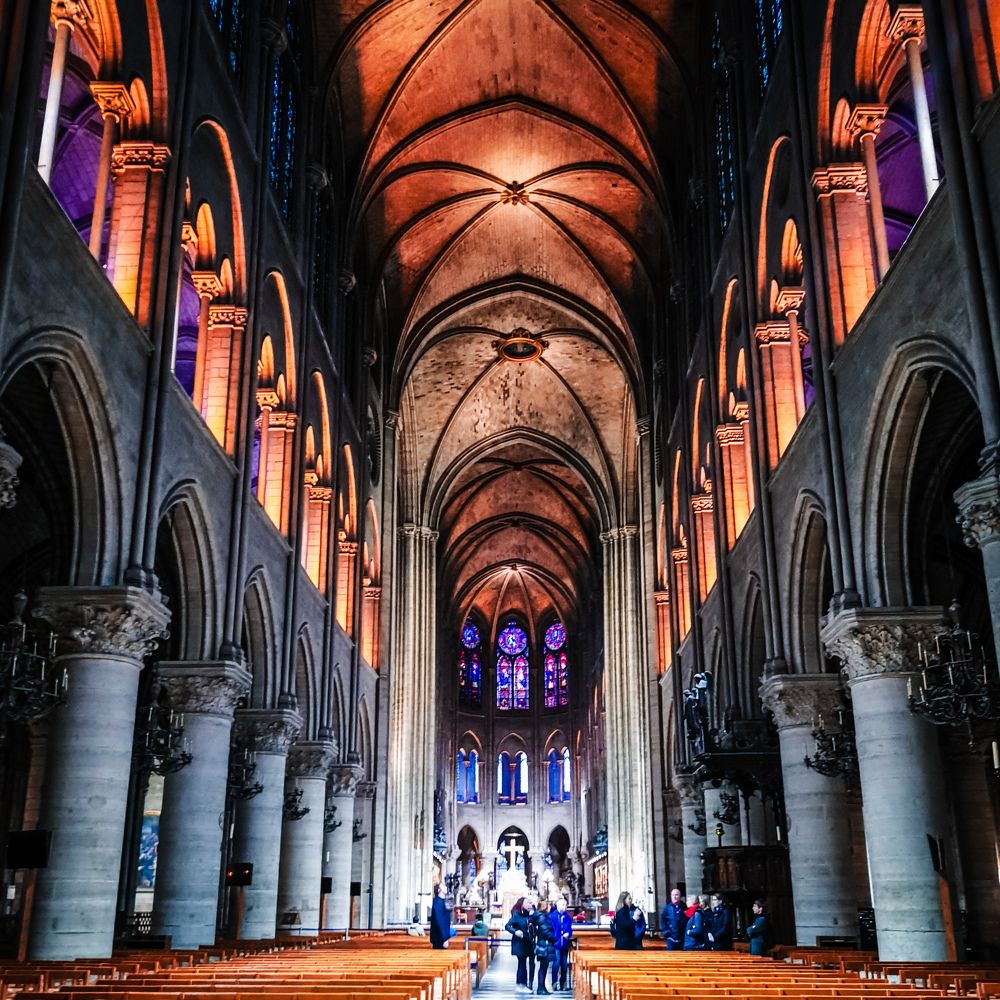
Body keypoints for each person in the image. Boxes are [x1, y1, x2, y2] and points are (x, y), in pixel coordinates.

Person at [505, 897, 536, 991]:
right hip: (520, 943)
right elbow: (507, 926)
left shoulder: (532, 915)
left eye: (530, 903)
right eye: (527, 903)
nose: (530, 905)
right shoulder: (516, 915)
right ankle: (521, 984)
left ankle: (529, 984)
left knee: (531, 963)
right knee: (522, 963)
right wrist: (515, 932)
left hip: (529, 942)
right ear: (522, 905)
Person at [529, 899, 556, 994]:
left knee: (544, 966)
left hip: (544, 942)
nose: (550, 907)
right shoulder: (542, 917)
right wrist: (554, 938)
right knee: (543, 966)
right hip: (544, 943)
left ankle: (542, 987)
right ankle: (540, 988)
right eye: (548, 906)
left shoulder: (541, 916)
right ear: (545, 907)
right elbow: (545, 930)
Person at [549, 897, 573, 991]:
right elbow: (551, 929)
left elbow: (570, 929)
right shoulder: (552, 916)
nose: (565, 906)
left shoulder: (567, 917)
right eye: (563, 904)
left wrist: (568, 933)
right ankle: (554, 982)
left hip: (565, 943)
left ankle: (563, 982)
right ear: (558, 905)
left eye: (566, 904)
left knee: (564, 964)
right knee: (557, 962)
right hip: (556, 943)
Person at [429, 883, 452, 949]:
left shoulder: (443, 901)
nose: (446, 888)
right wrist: (444, 938)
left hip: (442, 936)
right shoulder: (437, 902)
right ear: (439, 890)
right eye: (443, 886)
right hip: (440, 938)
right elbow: (439, 922)